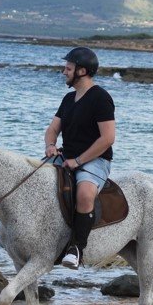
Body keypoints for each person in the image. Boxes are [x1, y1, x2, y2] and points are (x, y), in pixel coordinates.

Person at [44, 47, 116, 269]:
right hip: (65, 156)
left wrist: (78, 161)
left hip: (96, 159)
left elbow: (107, 138)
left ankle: (76, 248)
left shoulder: (101, 98)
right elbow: (53, 129)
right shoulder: (68, 99)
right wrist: (50, 146)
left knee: (85, 194)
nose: (64, 72)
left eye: (68, 68)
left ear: (82, 71)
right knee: (33, 181)